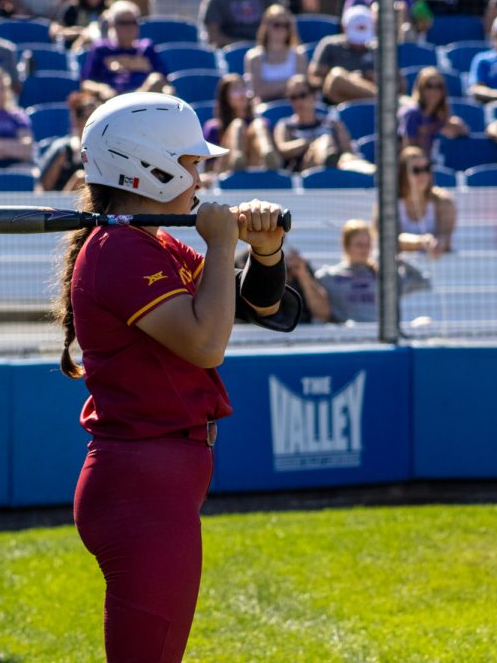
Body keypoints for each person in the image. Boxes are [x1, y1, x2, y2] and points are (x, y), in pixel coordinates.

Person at [59, 90, 299, 663]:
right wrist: (221, 246)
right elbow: (206, 343)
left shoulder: (152, 243)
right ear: (148, 166)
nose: (200, 179)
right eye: (192, 164)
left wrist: (264, 254)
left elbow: (271, 311)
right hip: (142, 482)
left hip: (159, 477)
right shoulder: (118, 249)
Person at [316, 219, 430, 324]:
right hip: (347, 336)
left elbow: (423, 281)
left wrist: (394, 256)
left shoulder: (382, 275)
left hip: (379, 335)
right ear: (346, 246)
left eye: (367, 245)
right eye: (359, 245)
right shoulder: (329, 277)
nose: (364, 249)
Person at [274, 74, 371, 174]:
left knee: (348, 158)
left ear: (313, 96)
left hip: (340, 163)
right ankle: (329, 161)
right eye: (293, 97)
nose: (298, 102)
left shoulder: (332, 123)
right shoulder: (286, 125)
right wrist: (309, 143)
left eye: (302, 95)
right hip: (306, 168)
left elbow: (347, 149)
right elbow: (282, 149)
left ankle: (375, 174)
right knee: (325, 141)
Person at [80, 0, 168, 94]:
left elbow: (163, 80)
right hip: (113, 100)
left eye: (133, 22)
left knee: (156, 80)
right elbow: (86, 83)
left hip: (144, 101)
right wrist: (102, 89)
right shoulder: (101, 49)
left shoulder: (147, 48)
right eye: (123, 23)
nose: (129, 27)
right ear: (112, 25)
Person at [38, 84, 113, 191]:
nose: (92, 122)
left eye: (96, 117)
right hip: (62, 206)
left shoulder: (109, 150)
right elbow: (44, 190)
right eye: (86, 116)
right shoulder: (63, 150)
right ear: (75, 119)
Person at [204, 73, 279, 174]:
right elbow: (208, 166)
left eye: (244, 88)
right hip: (226, 172)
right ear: (225, 96)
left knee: (259, 125)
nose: (242, 93)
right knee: (238, 125)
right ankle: (236, 157)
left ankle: (267, 152)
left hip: (255, 166)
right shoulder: (214, 128)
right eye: (235, 89)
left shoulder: (264, 124)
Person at [391, 145, 455, 257]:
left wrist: (439, 243)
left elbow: (446, 235)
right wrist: (420, 242)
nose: (423, 175)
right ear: (403, 174)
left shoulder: (444, 201)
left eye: (427, 169)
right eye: (416, 170)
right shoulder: (389, 203)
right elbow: (390, 239)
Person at [309, 4, 377, 104]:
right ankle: (383, 99)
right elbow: (314, 79)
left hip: (371, 103)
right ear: (344, 28)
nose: (359, 44)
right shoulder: (330, 45)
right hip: (337, 101)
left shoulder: (377, 49)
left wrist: (376, 78)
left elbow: (400, 84)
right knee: (336, 76)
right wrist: (350, 80)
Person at [244, 4, 307, 103]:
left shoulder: (299, 55)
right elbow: (258, 90)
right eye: (276, 24)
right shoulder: (254, 57)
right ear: (266, 26)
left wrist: (270, 87)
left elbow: (303, 89)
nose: (281, 30)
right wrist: (291, 84)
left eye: (286, 25)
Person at [398, 66, 469, 155]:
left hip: (428, 163)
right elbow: (408, 150)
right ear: (420, 88)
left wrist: (456, 125)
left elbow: (463, 131)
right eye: (429, 86)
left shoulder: (438, 116)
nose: (434, 91)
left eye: (438, 86)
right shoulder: (411, 113)